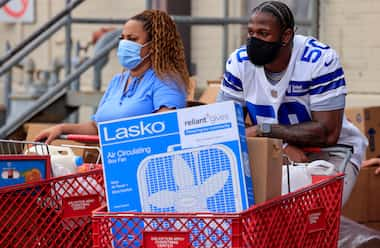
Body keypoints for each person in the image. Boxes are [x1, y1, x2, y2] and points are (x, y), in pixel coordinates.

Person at [216, 1, 368, 205]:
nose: (254, 39)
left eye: (263, 33)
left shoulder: (319, 60)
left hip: (332, 150)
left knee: (313, 216)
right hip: (276, 147)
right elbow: (224, 126)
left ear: (286, 36)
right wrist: (283, 144)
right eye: (251, 33)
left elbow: (328, 133)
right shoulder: (239, 63)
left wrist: (264, 130)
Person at [35, 10, 190, 144]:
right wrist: (61, 128)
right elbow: (97, 127)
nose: (124, 44)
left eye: (132, 39)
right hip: (112, 165)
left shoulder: (167, 81)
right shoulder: (118, 81)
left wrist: (113, 136)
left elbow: (165, 125)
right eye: (122, 38)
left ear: (154, 45)